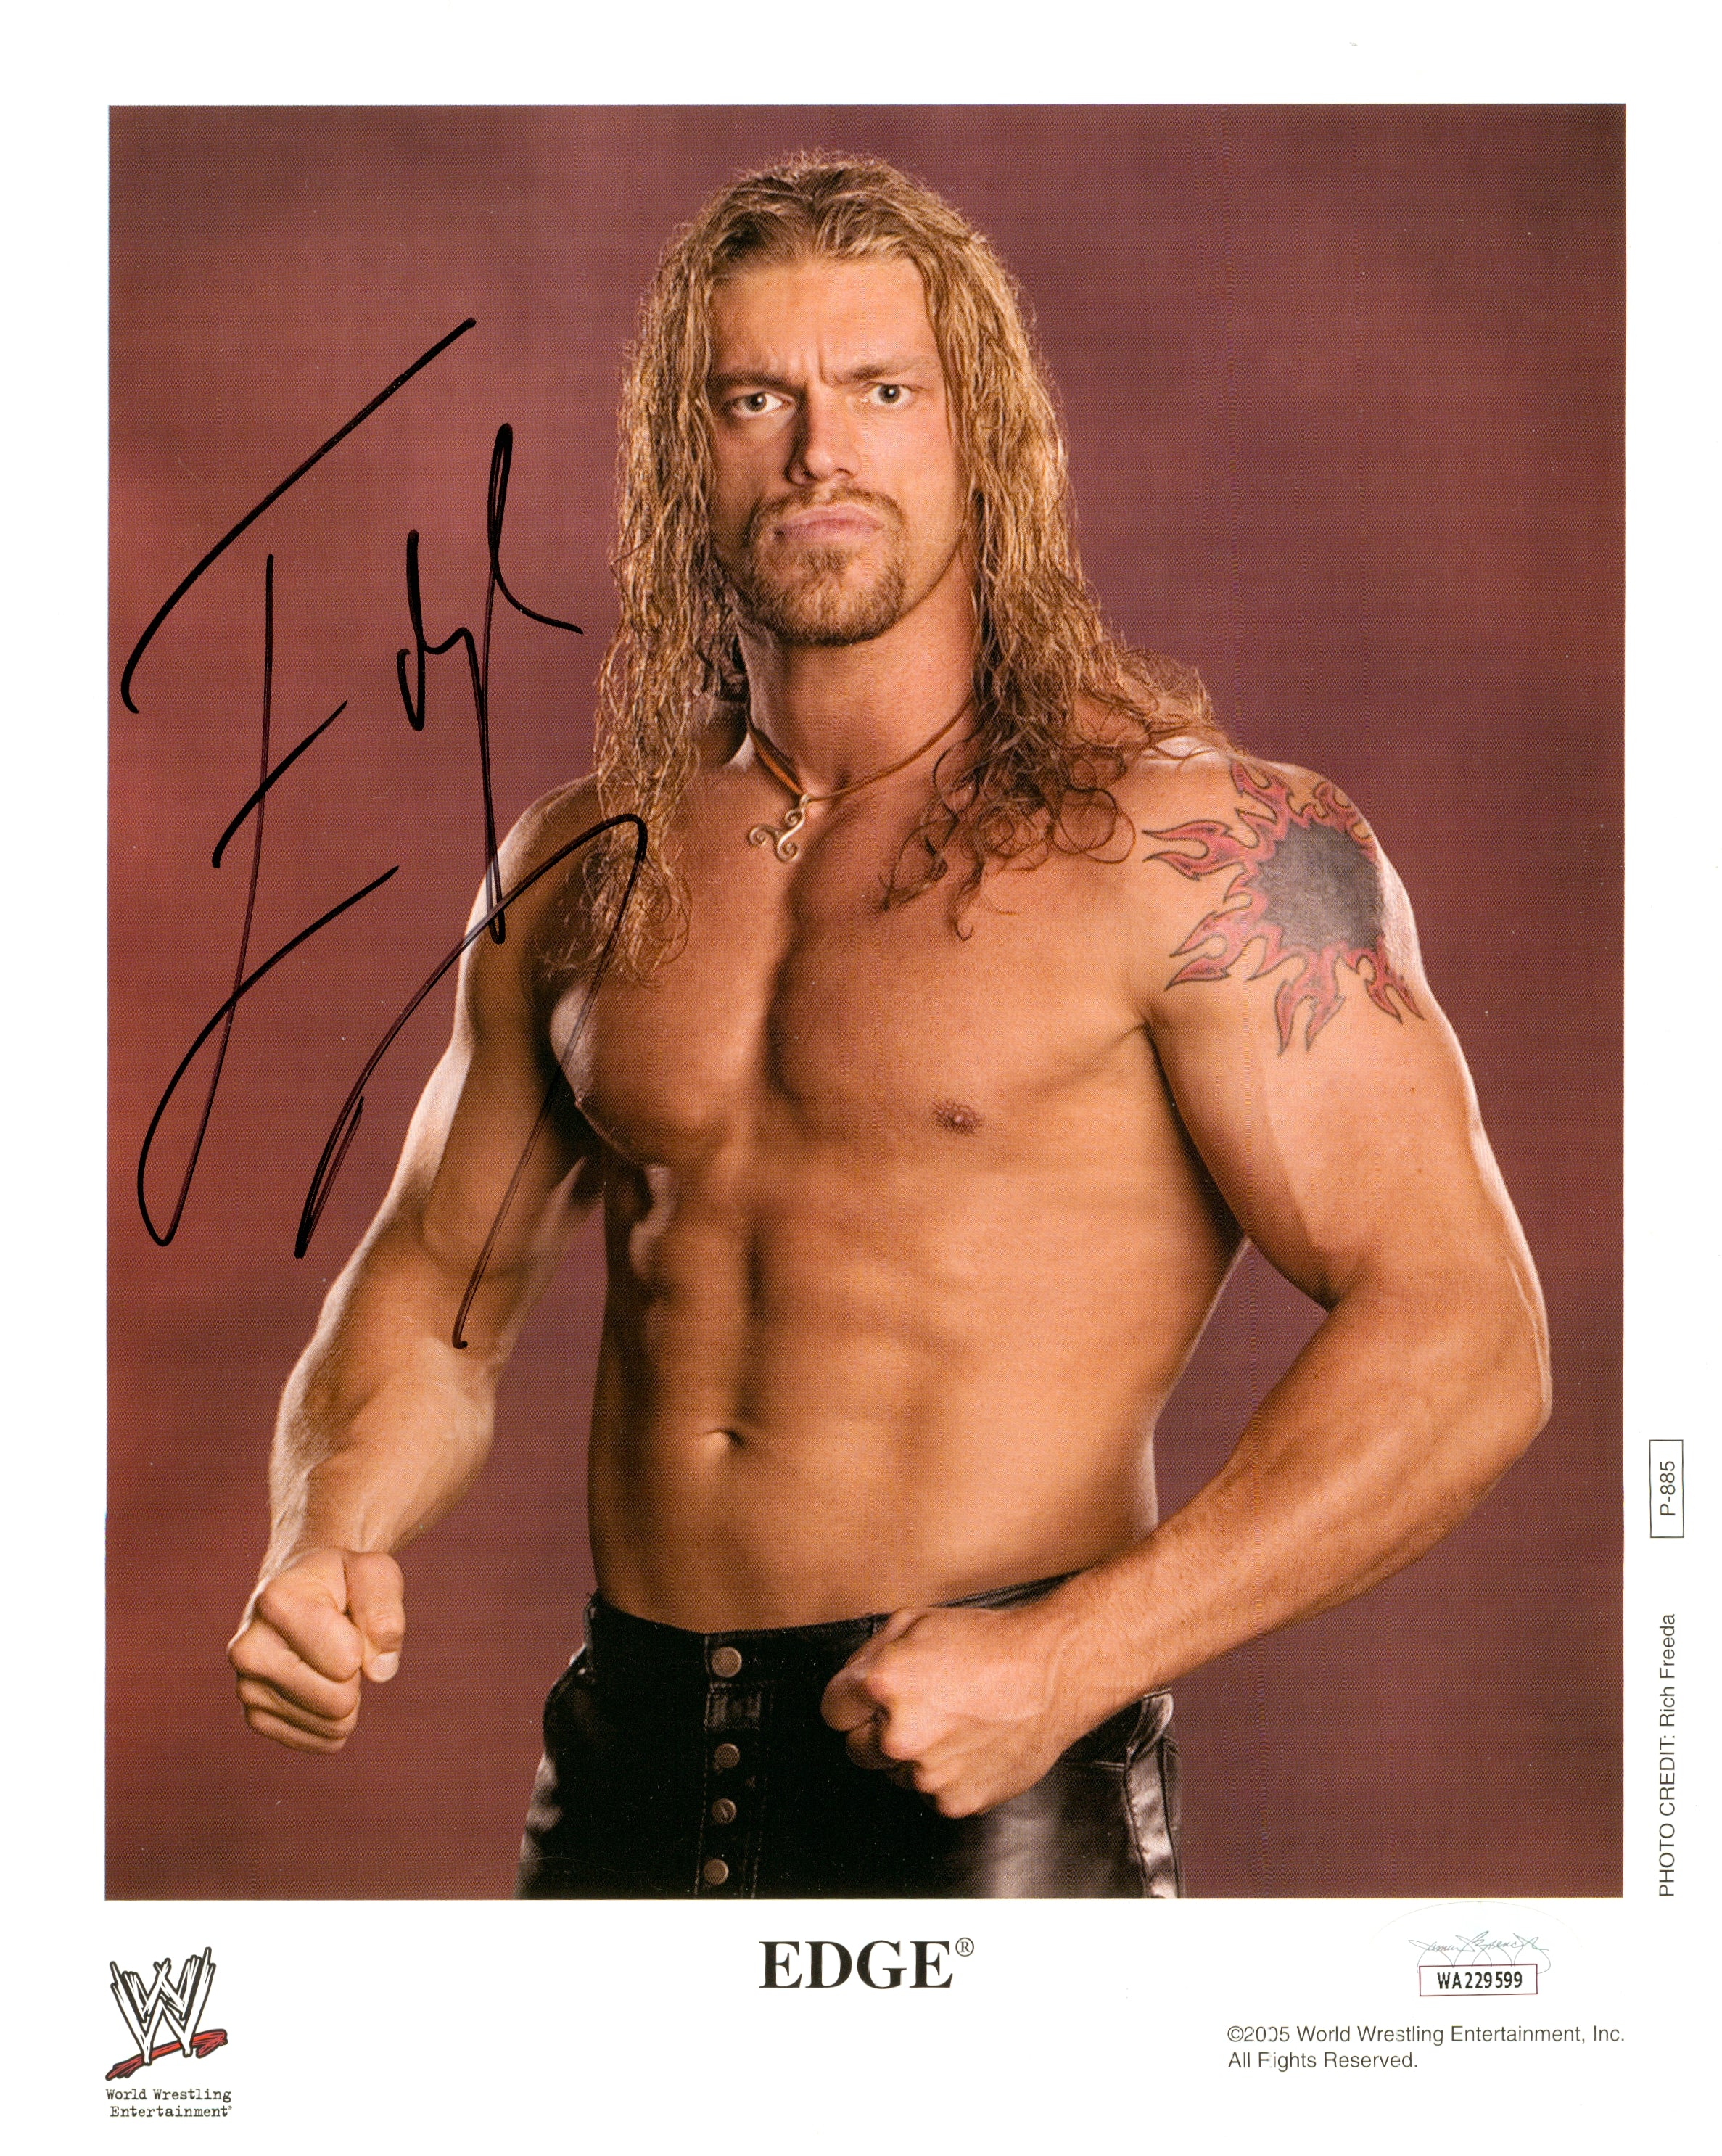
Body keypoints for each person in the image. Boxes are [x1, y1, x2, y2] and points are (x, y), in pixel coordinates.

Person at [227, 155, 1549, 1898]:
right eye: (753, 399)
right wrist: (325, 1532)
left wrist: (1068, 1659)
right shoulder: (585, 862)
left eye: (880, 391)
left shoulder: (1190, 847)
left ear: (979, 434)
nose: (816, 454)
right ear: (681, 454)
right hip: (619, 1774)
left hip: (988, 1790)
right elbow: (433, 1299)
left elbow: (1465, 1334)